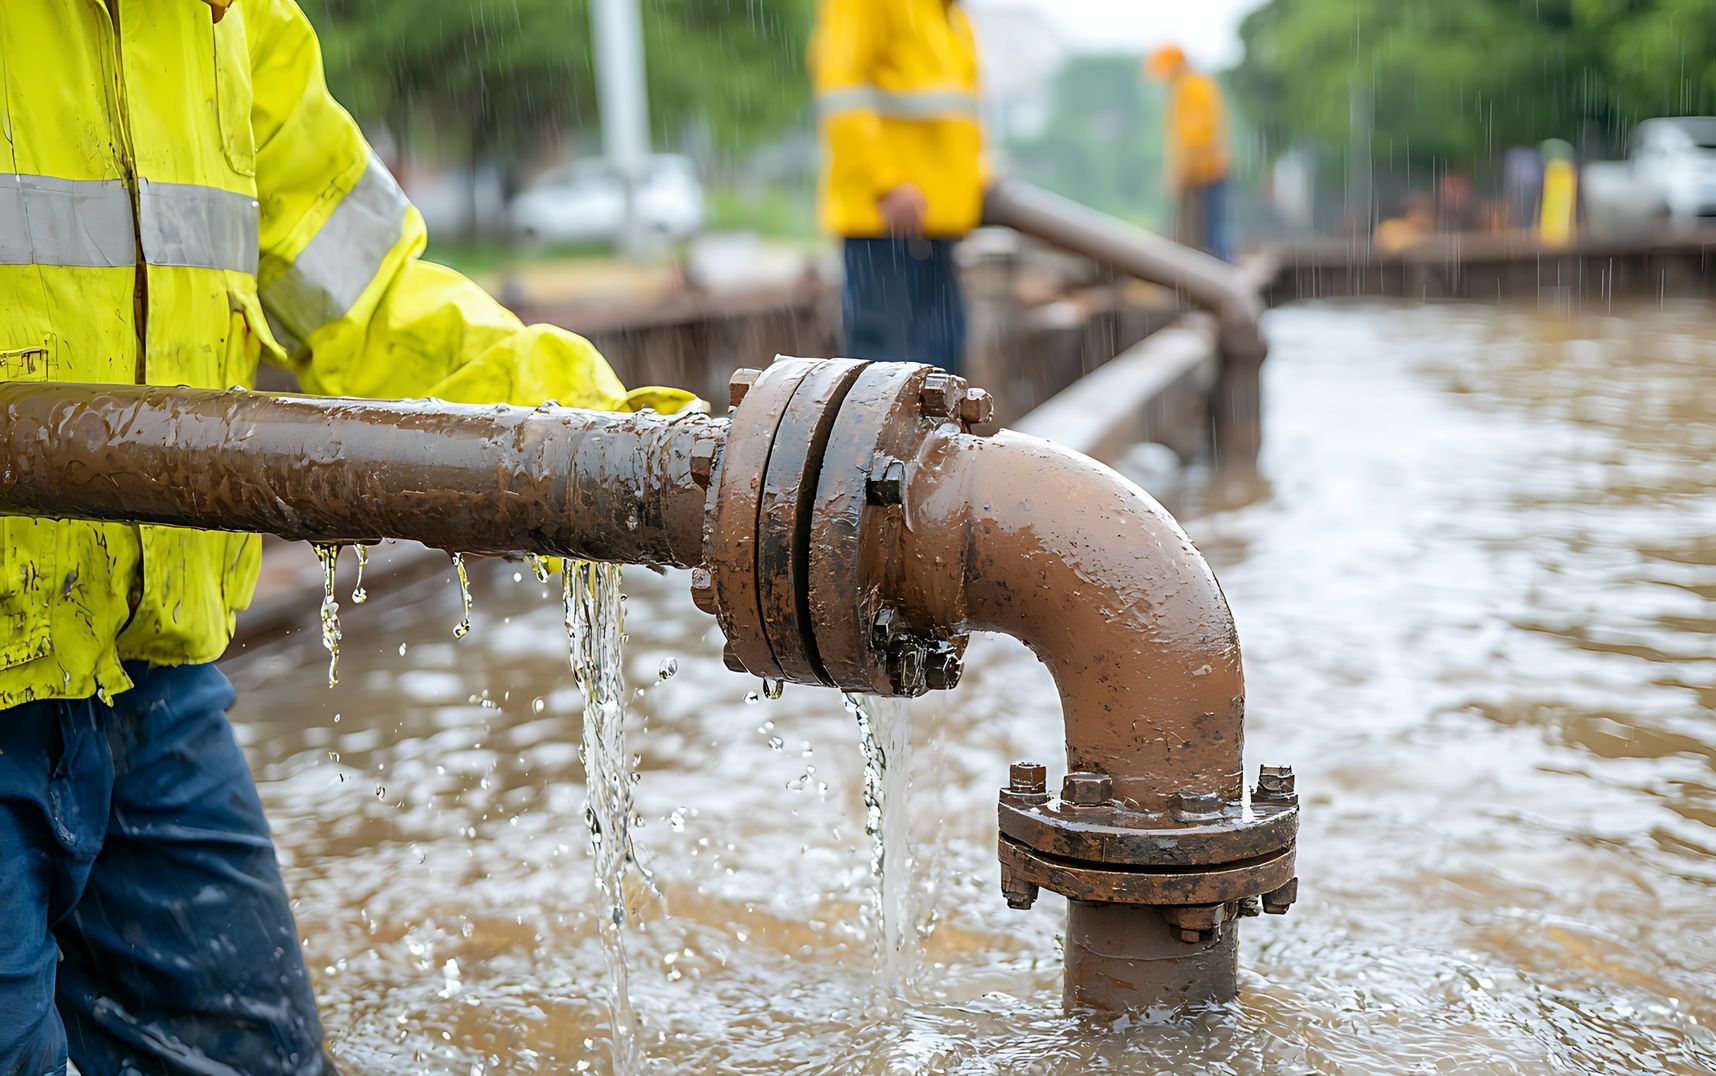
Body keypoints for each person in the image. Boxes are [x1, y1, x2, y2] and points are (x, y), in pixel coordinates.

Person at [0, 2, 694, 1071]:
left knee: (257, 1053)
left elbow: (376, 300)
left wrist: (647, 455)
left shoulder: (237, 28)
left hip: (148, 678)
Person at [811, 0, 985, 374]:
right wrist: (885, 183)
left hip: (936, 223)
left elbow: (953, 117)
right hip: (888, 222)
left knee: (938, 368)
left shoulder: (948, 15)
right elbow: (842, 90)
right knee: (886, 375)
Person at [1146, 45, 1234, 262]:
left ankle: (1217, 273)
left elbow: (1196, 135)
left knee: (1210, 228)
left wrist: (1179, 171)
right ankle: (1215, 270)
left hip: (1205, 171)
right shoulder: (1191, 86)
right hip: (1203, 170)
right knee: (1210, 227)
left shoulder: (1191, 88)